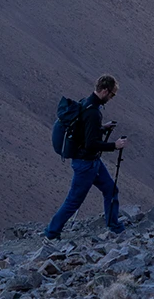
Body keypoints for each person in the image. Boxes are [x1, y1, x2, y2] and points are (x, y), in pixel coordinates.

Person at [44, 75, 129, 238]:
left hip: (91, 161)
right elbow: (91, 143)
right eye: (112, 94)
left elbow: (84, 131)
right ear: (105, 91)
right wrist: (115, 145)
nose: (111, 98)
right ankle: (51, 233)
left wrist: (101, 128)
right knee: (74, 201)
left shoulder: (86, 103)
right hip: (86, 164)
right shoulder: (93, 112)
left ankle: (115, 227)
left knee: (111, 189)